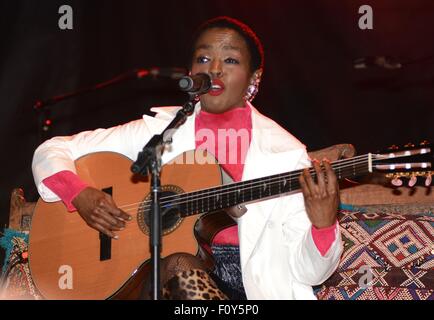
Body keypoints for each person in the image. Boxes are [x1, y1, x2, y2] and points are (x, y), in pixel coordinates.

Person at [32, 16, 343, 300]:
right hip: (161, 277)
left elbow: (310, 274)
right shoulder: (160, 130)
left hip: (252, 287)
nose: (215, 69)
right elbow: (52, 150)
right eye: (204, 58)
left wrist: (323, 224)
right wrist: (80, 194)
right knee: (177, 264)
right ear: (191, 73)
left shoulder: (286, 155)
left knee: (179, 265)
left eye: (231, 60)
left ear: (254, 78)